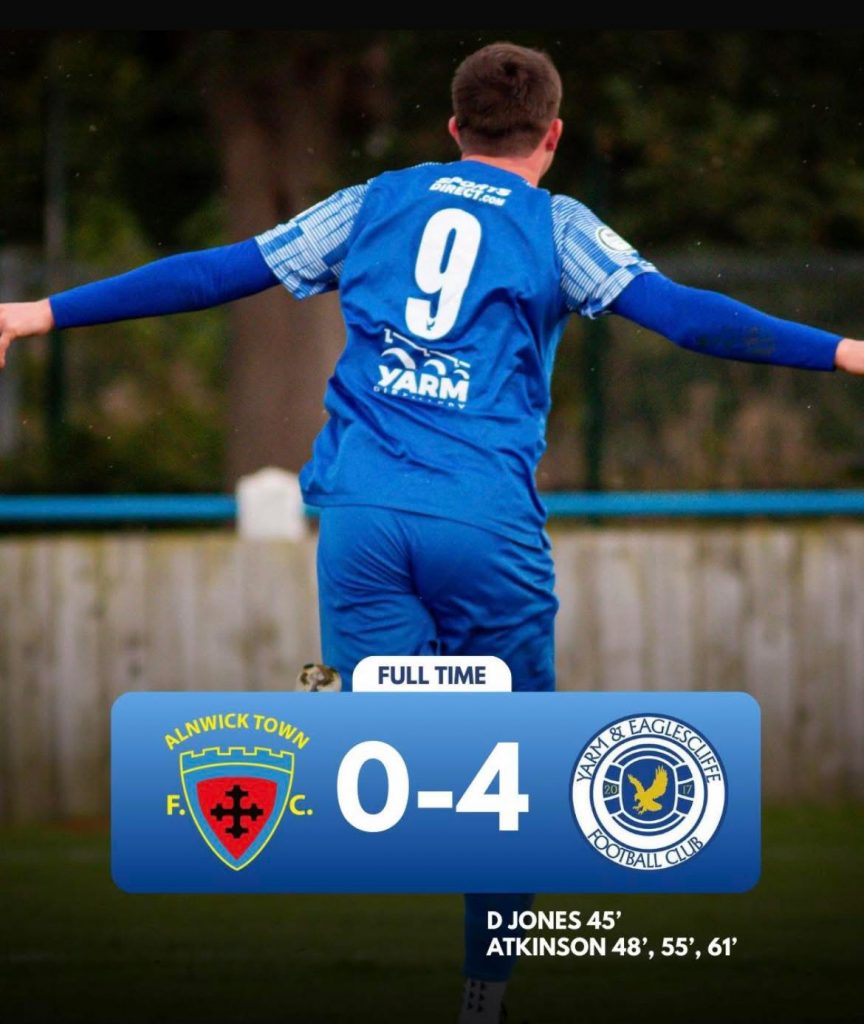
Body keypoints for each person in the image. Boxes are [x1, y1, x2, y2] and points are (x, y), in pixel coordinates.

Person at [2, 40, 863, 1024]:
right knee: (516, 780)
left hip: (365, 518)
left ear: (454, 129)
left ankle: (360, 704)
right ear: (553, 136)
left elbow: (215, 273)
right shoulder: (559, 225)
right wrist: (845, 350)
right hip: (485, 525)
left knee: (403, 729)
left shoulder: (373, 203)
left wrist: (38, 314)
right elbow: (686, 318)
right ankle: (482, 994)